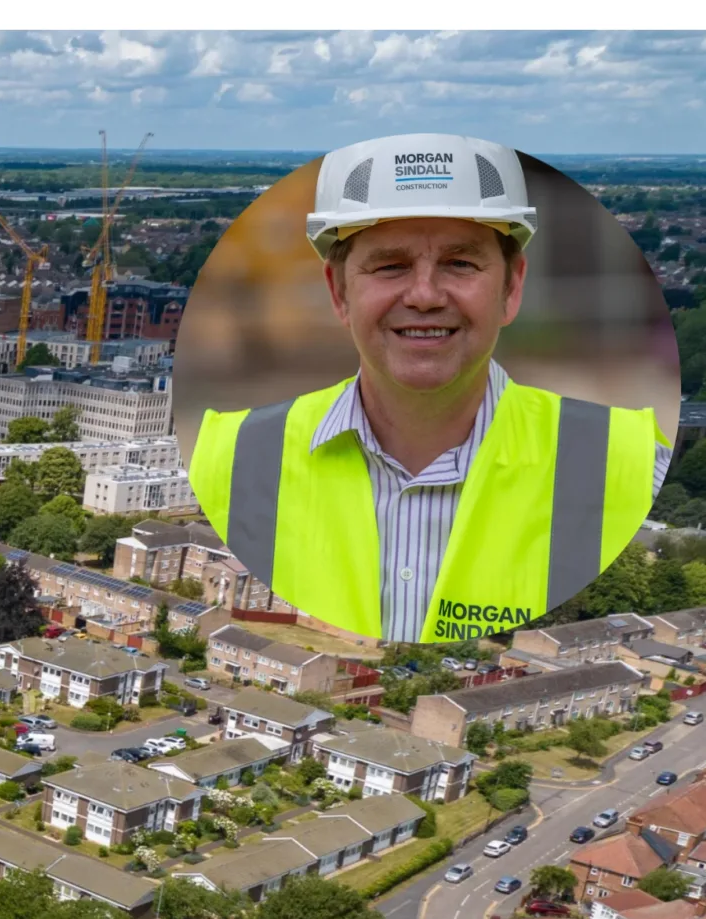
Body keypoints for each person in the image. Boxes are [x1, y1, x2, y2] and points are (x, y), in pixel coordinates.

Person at [190, 135, 668, 644]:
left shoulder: (627, 464)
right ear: (339, 292)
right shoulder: (229, 458)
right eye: (390, 265)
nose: (423, 296)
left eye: (461, 263)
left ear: (511, 288)